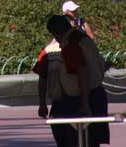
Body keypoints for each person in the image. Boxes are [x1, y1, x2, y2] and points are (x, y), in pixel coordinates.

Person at [36, 14, 109, 147]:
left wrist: (84, 103)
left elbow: (82, 73)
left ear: (56, 33)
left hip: (78, 100)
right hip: (94, 95)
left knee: (73, 140)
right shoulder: (84, 39)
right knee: (91, 141)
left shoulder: (71, 44)